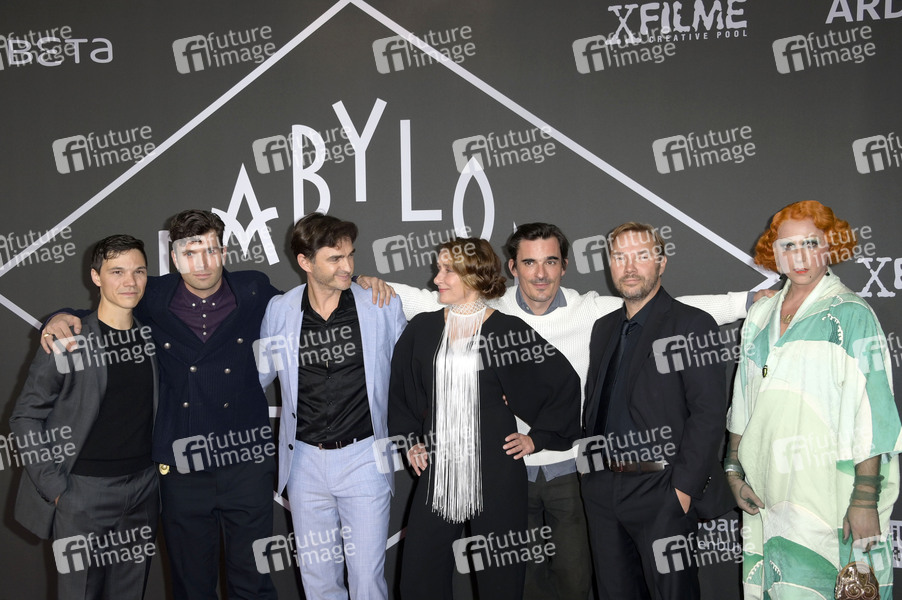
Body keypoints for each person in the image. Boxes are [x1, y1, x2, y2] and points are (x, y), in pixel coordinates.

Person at [359, 222, 751, 599]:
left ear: (564, 265)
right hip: (503, 476)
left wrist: (744, 301)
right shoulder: (472, 313)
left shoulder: (592, 312)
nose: (540, 273)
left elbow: (676, 313)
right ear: (512, 268)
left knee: (571, 581)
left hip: (564, 474)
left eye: (550, 261)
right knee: (506, 582)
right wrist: (364, 281)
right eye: (529, 262)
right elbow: (415, 309)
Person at [40, 210, 280, 600]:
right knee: (191, 586)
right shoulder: (152, 294)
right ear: (174, 257)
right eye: (190, 253)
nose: (201, 264)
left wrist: (356, 283)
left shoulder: (254, 289)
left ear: (224, 252)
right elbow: (99, 315)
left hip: (246, 464)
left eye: (211, 250)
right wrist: (57, 317)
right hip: (183, 471)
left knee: (253, 583)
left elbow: (307, 302)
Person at [725, 200, 902, 599]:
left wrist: (864, 499)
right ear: (775, 254)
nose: (800, 256)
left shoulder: (852, 315)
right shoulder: (760, 315)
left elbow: (874, 412)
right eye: (788, 246)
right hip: (769, 487)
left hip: (830, 490)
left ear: (830, 246)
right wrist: (733, 470)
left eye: (811, 243)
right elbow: (743, 398)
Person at [388, 237, 581, 599]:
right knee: (419, 574)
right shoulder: (423, 329)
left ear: (474, 275)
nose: (437, 279)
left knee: (501, 577)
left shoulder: (507, 330)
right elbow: (401, 393)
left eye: (448, 270)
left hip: (497, 469)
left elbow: (563, 383)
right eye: (439, 269)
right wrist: (410, 441)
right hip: (439, 468)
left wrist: (537, 438)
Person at [580, 222, 733, 600]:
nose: (629, 267)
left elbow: (708, 414)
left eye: (641, 256)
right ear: (610, 265)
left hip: (661, 489)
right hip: (602, 490)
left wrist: (682, 491)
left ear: (662, 263)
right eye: (620, 257)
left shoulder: (692, 324)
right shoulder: (603, 328)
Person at [257, 212, 406, 599]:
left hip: (364, 458)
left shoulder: (380, 303)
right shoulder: (280, 311)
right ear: (305, 262)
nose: (348, 266)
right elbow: (258, 377)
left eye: (350, 256)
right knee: (318, 580)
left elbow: (411, 372)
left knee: (367, 579)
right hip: (304, 463)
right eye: (335, 258)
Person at [10, 235, 159, 600]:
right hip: (82, 494)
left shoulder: (152, 337)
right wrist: (56, 489)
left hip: (143, 490)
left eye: (139, 271)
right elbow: (25, 416)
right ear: (96, 277)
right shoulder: (67, 338)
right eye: (117, 271)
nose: (130, 281)